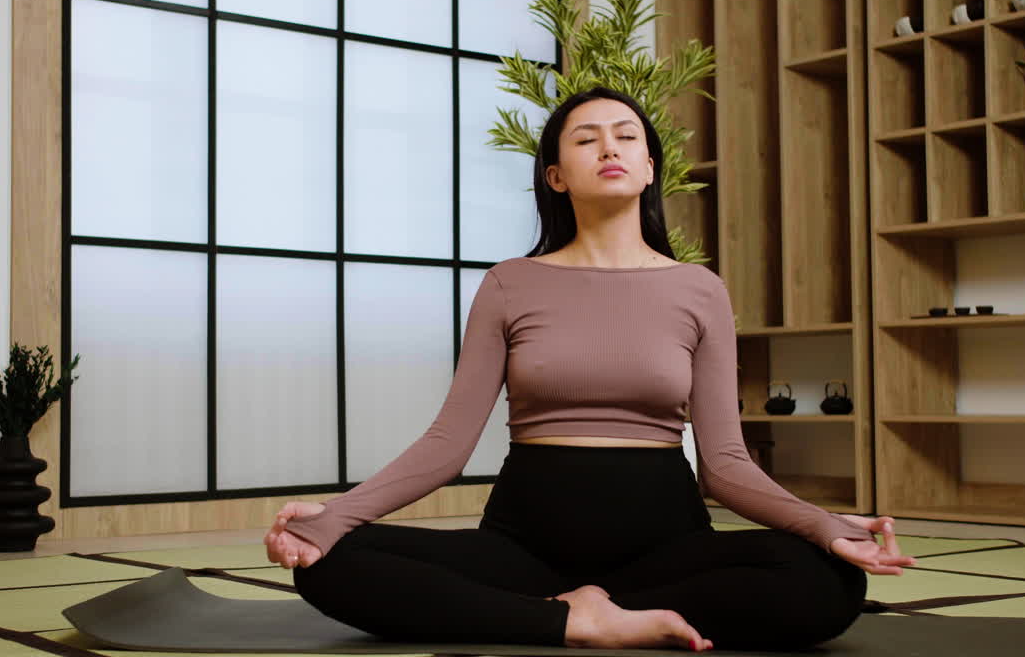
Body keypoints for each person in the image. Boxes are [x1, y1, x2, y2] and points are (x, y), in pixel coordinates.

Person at [263, 86, 915, 651]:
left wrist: (824, 524)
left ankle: (597, 613)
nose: (610, 148)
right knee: (329, 563)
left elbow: (727, 463)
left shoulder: (698, 289)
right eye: (587, 139)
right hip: (524, 550)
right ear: (556, 175)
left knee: (830, 582)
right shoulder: (510, 284)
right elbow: (446, 445)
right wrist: (337, 516)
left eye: (626, 136)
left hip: (662, 552)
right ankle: (574, 624)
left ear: (649, 166)